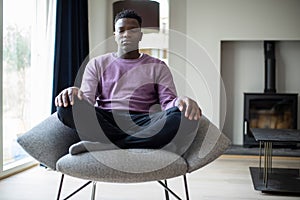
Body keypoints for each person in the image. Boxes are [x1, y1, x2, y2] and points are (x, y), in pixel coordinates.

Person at [55, 9, 202, 155]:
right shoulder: (97, 64)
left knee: (183, 117)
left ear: (140, 36)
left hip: (145, 121)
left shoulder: (158, 66)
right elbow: (86, 99)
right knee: (66, 109)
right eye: (121, 30)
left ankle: (108, 144)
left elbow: (168, 103)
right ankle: (148, 143)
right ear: (115, 35)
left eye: (133, 30)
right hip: (108, 120)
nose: (127, 34)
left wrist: (180, 101)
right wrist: (73, 92)